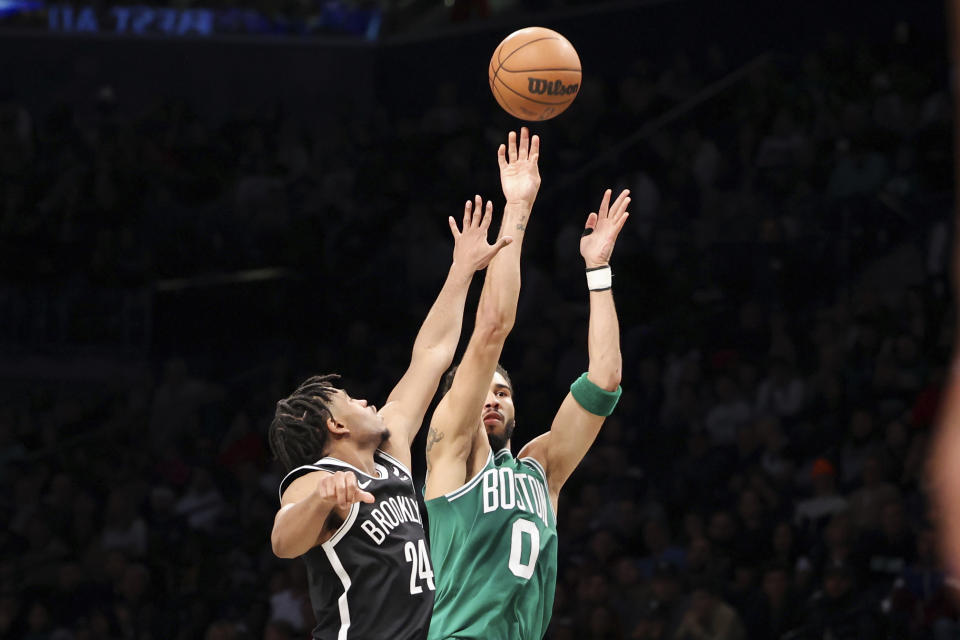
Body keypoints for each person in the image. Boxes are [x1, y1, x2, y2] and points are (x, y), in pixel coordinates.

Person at [266, 184, 514, 639]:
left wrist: (461, 271)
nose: (366, 401)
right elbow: (283, 540)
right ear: (336, 425)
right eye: (352, 401)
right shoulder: (317, 478)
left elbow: (432, 353)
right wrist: (322, 498)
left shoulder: (392, 449)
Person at [424, 125, 630, 639]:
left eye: (504, 391)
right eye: (484, 389)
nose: (492, 397)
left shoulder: (543, 469)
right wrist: (518, 207)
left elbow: (604, 381)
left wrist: (598, 269)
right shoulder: (450, 449)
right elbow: (491, 329)